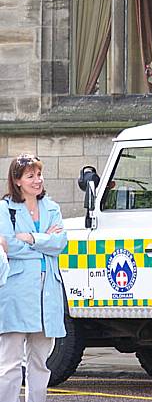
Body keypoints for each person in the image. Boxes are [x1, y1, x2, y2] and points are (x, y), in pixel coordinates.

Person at [0, 154, 68, 402]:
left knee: (40, 362)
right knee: (10, 363)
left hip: (47, 291)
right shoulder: (5, 208)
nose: (37, 180)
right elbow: (8, 245)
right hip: (17, 292)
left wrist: (31, 237)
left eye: (39, 175)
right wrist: (43, 241)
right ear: (17, 181)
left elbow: (60, 243)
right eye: (30, 176)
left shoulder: (52, 207)